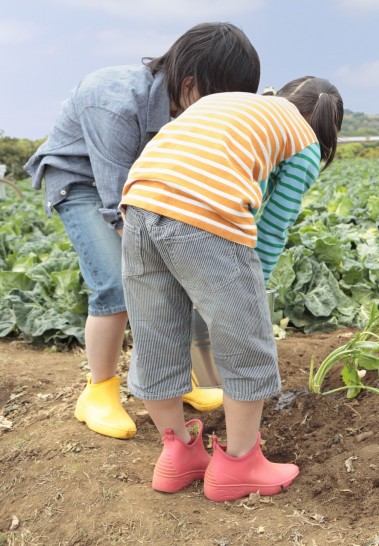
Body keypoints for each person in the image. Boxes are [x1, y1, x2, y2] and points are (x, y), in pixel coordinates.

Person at [23, 23, 261, 440]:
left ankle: (175, 383)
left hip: (138, 185)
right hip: (81, 183)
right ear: (190, 84)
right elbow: (117, 205)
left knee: (176, 274)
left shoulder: (184, 109)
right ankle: (99, 391)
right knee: (116, 287)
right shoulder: (114, 101)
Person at [119, 77, 343, 501]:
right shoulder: (304, 140)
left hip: (140, 205)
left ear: (284, 94)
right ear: (327, 127)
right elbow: (272, 225)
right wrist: (252, 295)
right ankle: (240, 466)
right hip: (203, 213)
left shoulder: (231, 105)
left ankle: (179, 457)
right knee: (247, 346)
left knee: (157, 339)